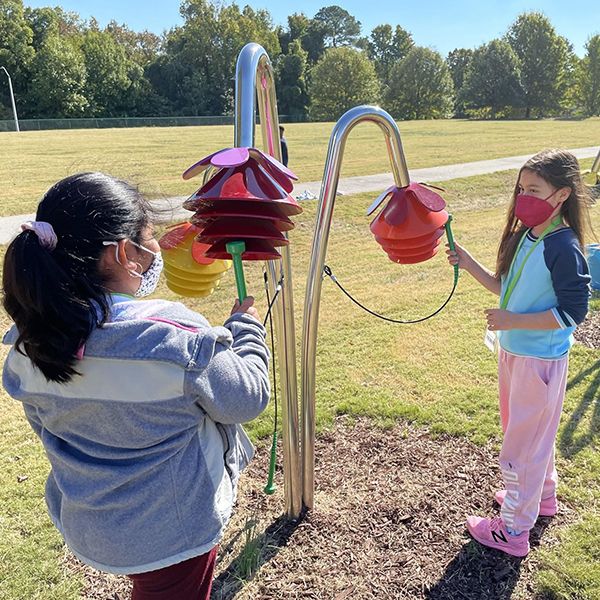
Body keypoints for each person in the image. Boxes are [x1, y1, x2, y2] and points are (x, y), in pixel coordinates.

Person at [2, 172, 270, 599]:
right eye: (149, 239)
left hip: (92, 523)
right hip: (171, 531)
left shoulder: (27, 346)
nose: (154, 251)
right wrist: (247, 331)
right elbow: (245, 397)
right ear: (123, 252)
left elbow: (48, 425)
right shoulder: (173, 339)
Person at [446, 149, 592, 557]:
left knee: (522, 448)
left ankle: (512, 531)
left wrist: (512, 321)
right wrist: (468, 262)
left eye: (535, 190)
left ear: (561, 195)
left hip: (538, 362)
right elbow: (504, 290)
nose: (524, 196)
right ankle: (542, 497)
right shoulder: (529, 236)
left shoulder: (563, 245)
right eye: (521, 187)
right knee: (529, 437)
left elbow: (571, 312)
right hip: (516, 357)